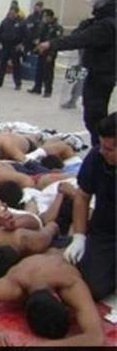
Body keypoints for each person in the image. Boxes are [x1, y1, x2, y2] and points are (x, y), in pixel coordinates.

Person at [0, 251, 105, 347]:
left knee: (98, 288)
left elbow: (96, 338)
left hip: (65, 253)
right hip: (38, 258)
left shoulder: (70, 284)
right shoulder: (15, 285)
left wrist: (49, 346)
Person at [38, 0, 116, 146]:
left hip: (102, 75)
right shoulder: (99, 22)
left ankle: (102, 149)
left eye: (100, 1)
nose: (95, 4)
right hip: (96, 72)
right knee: (92, 116)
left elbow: (80, 39)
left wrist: (52, 44)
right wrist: (86, 24)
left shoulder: (106, 26)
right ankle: (101, 148)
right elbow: (79, 34)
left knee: (95, 117)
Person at [61, 113, 115, 301]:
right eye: (102, 145)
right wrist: (79, 237)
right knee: (94, 286)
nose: (103, 152)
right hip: (106, 232)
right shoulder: (96, 157)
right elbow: (82, 196)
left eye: (109, 149)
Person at [28, 9, 63, 97]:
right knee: (39, 70)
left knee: (48, 72)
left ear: (50, 17)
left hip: (50, 53)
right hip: (42, 51)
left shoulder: (57, 28)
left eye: (45, 16)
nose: (44, 18)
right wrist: (37, 47)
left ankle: (48, 90)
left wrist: (51, 54)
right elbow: (41, 38)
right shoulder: (44, 26)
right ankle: (37, 88)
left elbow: (57, 42)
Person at [0, 6, 26, 90]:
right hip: (5, 46)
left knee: (16, 66)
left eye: (13, 13)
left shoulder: (21, 23)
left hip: (15, 47)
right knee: (2, 64)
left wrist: (22, 44)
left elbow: (27, 35)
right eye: (10, 13)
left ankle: (18, 83)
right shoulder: (5, 21)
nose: (11, 15)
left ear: (17, 13)